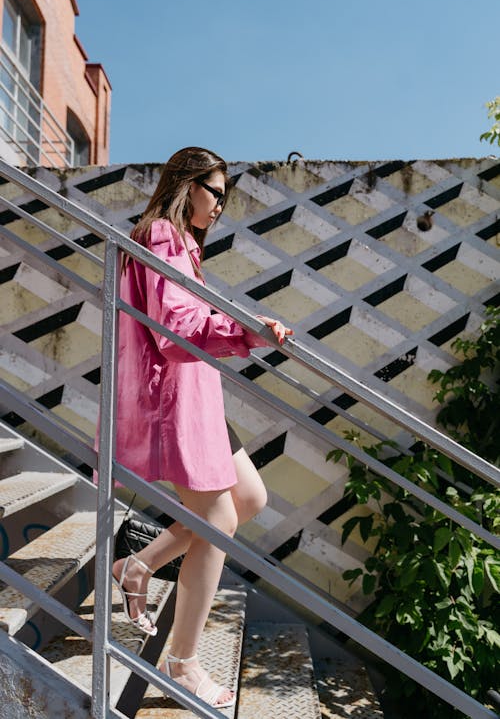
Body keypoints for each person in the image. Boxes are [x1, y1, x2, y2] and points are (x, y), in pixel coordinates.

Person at [109, 146, 293, 709]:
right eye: (215, 191)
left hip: (196, 398)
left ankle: (138, 563)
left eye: (225, 196)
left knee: (249, 498)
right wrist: (248, 331)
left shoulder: (181, 245)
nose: (220, 206)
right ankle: (183, 663)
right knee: (217, 520)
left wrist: (244, 329)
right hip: (172, 400)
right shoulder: (161, 235)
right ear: (187, 184)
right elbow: (177, 328)